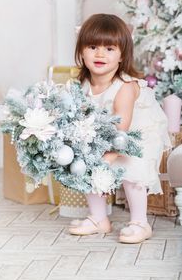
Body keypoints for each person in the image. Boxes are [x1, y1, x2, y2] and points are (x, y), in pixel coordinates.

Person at [69, 13, 171, 243]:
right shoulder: (83, 85)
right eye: (92, 46)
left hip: (135, 135)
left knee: (132, 171)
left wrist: (109, 158)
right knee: (87, 165)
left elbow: (122, 129)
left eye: (109, 49)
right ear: (81, 51)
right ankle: (98, 217)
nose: (100, 54)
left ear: (122, 54)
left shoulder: (125, 87)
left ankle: (139, 222)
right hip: (104, 134)